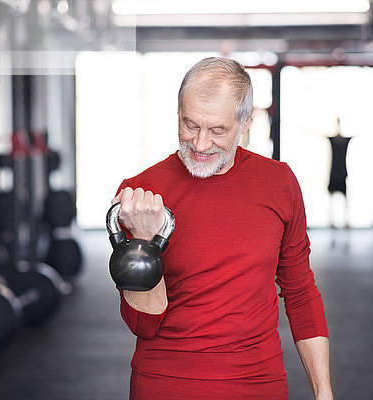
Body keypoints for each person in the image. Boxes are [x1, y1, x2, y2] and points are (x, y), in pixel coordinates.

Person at [111, 57, 332, 400]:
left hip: (259, 384)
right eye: (190, 125)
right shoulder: (141, 195)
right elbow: (143, 325)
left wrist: (324, 392)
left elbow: (301, 291)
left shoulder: (279, 183)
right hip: (167, 385)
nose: (199, 144)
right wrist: (143, 242)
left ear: (245, 123)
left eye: (217, 130)